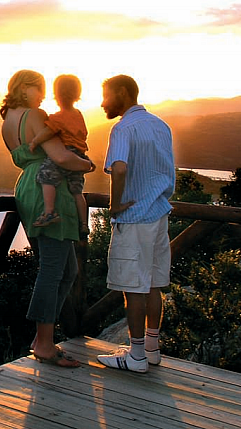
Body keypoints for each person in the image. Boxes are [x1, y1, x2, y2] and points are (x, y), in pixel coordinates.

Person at [0, 70, 95, 367]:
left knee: (68, 270)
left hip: (27, 187)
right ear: (23, 88)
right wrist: (88, 165)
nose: (43, 95)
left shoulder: (7, 123)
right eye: (38, 88)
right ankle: (43, 343)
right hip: (48, 189)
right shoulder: (35, 115)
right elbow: (61, 157)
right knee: (53, 270)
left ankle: (42, 337)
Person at [96, 74, 175, 373]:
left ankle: (136, 356)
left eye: (106, 95)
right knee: (153, 284)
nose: (103, 103)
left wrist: (115, 205)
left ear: (122, 92)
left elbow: (119, 168)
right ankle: (152, 350)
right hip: (159, 213)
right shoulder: (160, 125)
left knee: (133, 288)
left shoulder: (123, 128)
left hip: (134, 217)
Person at [28, 74, 91, 233]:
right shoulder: (78, 114)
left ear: (57, 95)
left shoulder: (58, 117)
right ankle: (84, 224)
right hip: (80, 155)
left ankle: (49, 212)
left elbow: (48, 132)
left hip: (67, 153)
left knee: (46, 175)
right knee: (77, 190)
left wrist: (35, 142)